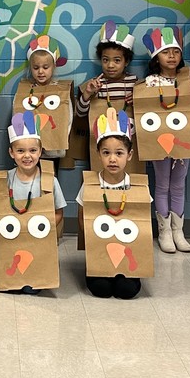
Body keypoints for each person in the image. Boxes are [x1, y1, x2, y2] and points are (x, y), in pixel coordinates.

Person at [77, 109, 142, 299]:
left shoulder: (136, 186)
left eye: (119, 153)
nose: (112, 159)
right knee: (101, 289)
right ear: (98, 154)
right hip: (100, 252)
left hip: (128, 251)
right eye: (106, 153)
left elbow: (141, 219)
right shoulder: (90, 184)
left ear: (129, 155)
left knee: (127, 290)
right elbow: (82, 216)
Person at [142, 26, 190, 254]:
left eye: (175, 51)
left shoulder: (187, 80)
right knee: (162, 184)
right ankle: (164, 231)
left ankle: (178, 231)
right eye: (166, 52)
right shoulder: (150, 83)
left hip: (182, 141)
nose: (172, 56)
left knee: (179, 185)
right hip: (158, 141)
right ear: (156, 57)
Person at [4, 111, 68, 293]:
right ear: (11, 153)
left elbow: (58, 213)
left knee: (32, 287)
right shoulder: (5, 179)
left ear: (41, 152)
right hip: (13, 239)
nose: (27, 156)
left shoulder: (49, 181)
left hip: (38, 239)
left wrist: (40, 228)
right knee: (10, 283)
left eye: (33, 150)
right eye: (20, 151)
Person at [22, 35, 70, 172]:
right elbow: (18, 116)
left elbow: (67, 119)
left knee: (49, 183)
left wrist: (58, 140)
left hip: (53, 150)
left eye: (45, 67)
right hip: (29, 151)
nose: (41, 71)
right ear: (30, 67)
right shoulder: (25, 90)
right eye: (36, 67)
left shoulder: (61, 92)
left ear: (54, 67)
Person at [76, 20, 138, 121]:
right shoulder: (96, 84)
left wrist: (136, 99)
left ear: (126, 62)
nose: (110, 65)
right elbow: (80, 114)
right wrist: (87, 93)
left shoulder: (133, 81)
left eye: (117, 60)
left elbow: (143, 111)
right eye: (105, 60)